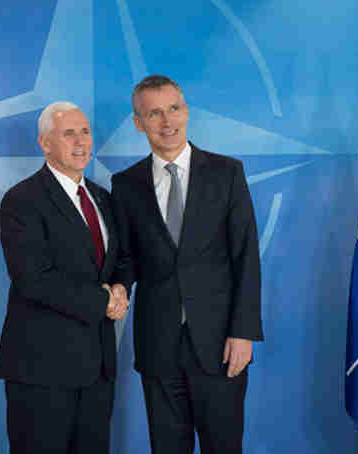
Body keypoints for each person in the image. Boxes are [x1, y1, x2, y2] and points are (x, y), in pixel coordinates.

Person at [110, 75, 263, 454]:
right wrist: (117, 288)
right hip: (158, 345)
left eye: (174, 109)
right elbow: (126, 258)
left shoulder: (227, 173)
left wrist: (243, 333)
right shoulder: (125, 185)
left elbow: (246, 255)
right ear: (138, 122)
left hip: (220, 344)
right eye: (154, 113)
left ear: (186, 111)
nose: (167, 121)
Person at [0, 101, 129, 454]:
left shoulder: (102, 198)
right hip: (42, 369)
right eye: (69, 133)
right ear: (45, 143)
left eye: (85, 131)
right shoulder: (22, 200)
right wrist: (104, 301)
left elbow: (120, 260)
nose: (81, 141)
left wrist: (121, 288)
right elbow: (33, 278)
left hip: (97, 369)